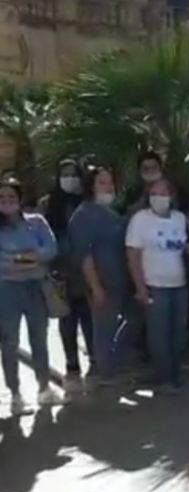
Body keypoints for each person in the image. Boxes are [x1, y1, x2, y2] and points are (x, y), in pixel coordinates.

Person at [0, 178, 64, 414]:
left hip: (36, 287)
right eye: (2, 198)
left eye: (11, 197)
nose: (7, 202)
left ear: (19, 199)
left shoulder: (36, 222)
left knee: (39, 339)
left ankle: (44, 388)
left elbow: (50, 249)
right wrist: (26, 259)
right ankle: (15, 394)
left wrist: (22, 259)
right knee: (10, 342)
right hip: (7, 290)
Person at [125, 178, 189, 392]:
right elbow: (133, 254)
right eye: (154, 194)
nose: (159, 198)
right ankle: (163, 378)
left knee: (178, 333)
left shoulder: (180, 218)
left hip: (179, 284)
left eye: (163, 193)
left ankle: (176, 373)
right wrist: (140, 287)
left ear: (172, 196)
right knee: (158, 335)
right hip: (155, 284)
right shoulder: (140, 220)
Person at [67, 165, 131, 388]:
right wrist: (96, 287)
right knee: (103, 329)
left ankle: (116, 362)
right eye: (102, 182)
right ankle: (107, 374)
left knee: (134, 319)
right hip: (101, 283)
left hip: (122, 280)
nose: (108, 187)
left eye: (110, 182)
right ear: (91, 186)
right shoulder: (83, 215)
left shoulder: (111, 212)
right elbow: (84, 255)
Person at [41, 158, 94, 387]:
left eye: (74, 174)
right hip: (60, 271)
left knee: (89, 317)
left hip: (86, 268)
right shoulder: (48, 204)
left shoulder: (86, 201)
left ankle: (95, 359)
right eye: (65, 174)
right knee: (67, 319)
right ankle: (72, 364)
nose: (69, 178)